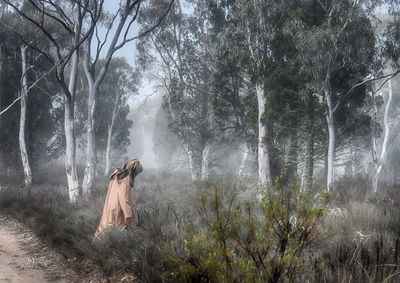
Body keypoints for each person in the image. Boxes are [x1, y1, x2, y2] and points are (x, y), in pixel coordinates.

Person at [95, 158, 143, 238]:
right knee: (117, 235)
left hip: (110, 208)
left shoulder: (116, 176)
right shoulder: (126, 179)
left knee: (105, 229)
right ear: (133, 171)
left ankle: (97, 247)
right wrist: (128, 215)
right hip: (118, 211)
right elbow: (123, 198)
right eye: (136, 173)